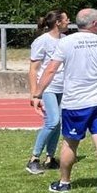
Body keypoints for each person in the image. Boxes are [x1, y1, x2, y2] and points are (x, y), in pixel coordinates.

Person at [33, 8, 97, 193]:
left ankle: (64, 183)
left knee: (70, 144)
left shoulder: (66, 43)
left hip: (75, 102)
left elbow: (49, 71)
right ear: (95, 24)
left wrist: (37, 94)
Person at [25, 10, 69, 175]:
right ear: (58, 22)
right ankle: (33, 159)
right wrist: (35, 93)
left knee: (58, 124)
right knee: (52, 121)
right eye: (66, 19)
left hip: (63, 87)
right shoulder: (42, 41)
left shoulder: (66, 40)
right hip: (48, 87)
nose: (69, 21)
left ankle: (50, 158)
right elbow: (33, 69)